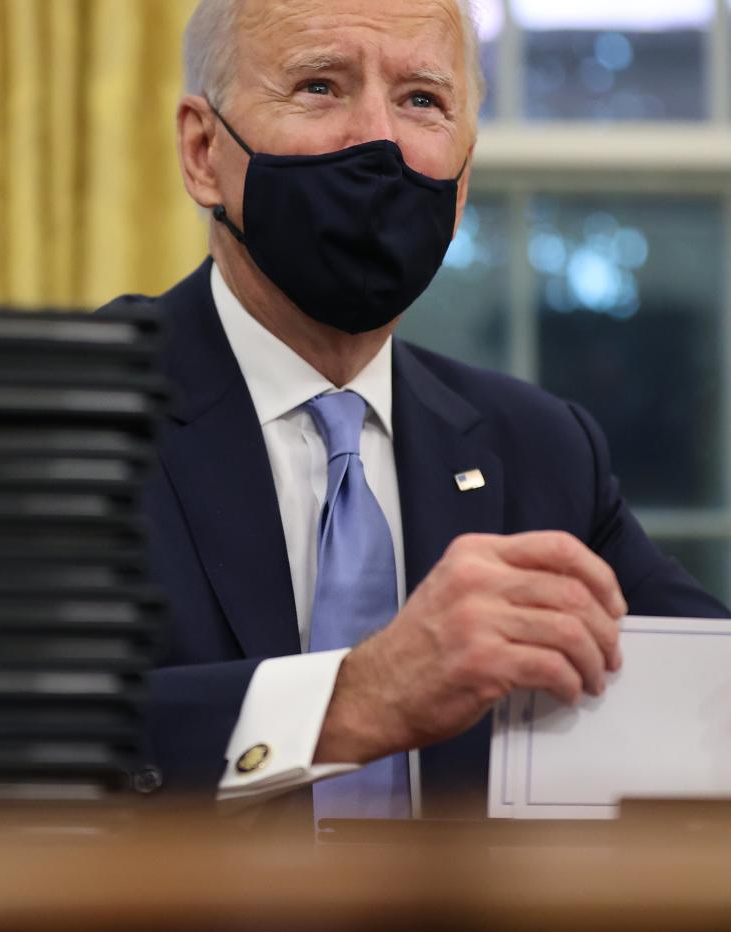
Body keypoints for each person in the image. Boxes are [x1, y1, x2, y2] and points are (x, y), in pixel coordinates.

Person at [103, 0, 730, 819]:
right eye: (320, 86)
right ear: (201, 151)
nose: (379, 141)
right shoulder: (63, 416)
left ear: (464, 177)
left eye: (423, 101)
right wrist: (350, 701)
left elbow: (710, 704)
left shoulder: (544, 451)